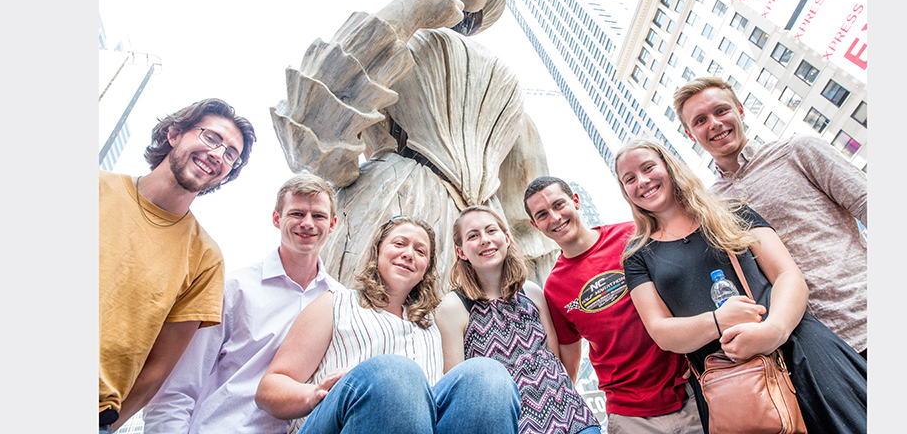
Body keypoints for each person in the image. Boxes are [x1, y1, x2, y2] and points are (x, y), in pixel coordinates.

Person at [270, 0, 555, 284]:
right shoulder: (400, 43)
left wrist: (538, 288)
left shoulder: (507, 85)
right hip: (391, 202)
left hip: (481, 228)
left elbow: (523, 208)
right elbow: (315, 137)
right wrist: (411, 10)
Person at [614, 138, 866, 434]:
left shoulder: (733, 212)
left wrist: (773, 330)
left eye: (648, 168)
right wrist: (718, 321)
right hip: (729, 382)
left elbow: (787, 275)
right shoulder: (636, 256)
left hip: (803, 354)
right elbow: (661, 332)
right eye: (629, 179)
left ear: (669, 168)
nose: (642, 181)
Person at [255, 216, 520, 434]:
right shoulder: (336, 303)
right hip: (337, 424)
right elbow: (270, 388)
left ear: (426, 268)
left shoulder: (432, 326)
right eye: (399, 244)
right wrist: (313, 394)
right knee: (396, 373)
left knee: (488, 375)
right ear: (378, 251)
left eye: (420, 251)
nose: (408, 254)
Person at [673, 77, 868, 357]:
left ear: (740, 110)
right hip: (814, 351)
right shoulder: (710, 206)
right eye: (700, 120)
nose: (714, 123)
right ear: (690, 134)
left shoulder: (799, 150)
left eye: (721, 111)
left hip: (863, 312)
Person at [141, 174, 346, 433]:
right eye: (297, 213)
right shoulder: (234, 289)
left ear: (332, 225)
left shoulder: (341, 303)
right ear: (276, 218)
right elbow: (177, 387)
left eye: (318, 216)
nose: (307, 223)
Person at [100, 98, 257, 433]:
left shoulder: (205, 259)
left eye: (231, 154)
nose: (218, 154)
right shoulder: (98, 188)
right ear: (173, 134)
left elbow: (158, 370)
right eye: (212, 138)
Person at [524, 177, 704, 434]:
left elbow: (684, 288)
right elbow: (568, 358)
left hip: (689, 390)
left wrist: (698, 353)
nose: (554, 217)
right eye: (542, 214)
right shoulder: (553, 287)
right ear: (535, 225)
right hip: (628, 413)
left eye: (559, 204)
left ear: (575, 201)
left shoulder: (632, 235)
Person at [437, 206, 600, 434]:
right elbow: (460, 388)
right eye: (473, 235)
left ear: (506, 238)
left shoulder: (532, 292)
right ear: (461, 251)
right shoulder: (453, 307)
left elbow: (554, 359)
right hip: (513, 426)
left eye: (491, 230)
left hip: (573, 418)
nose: (485, 240)